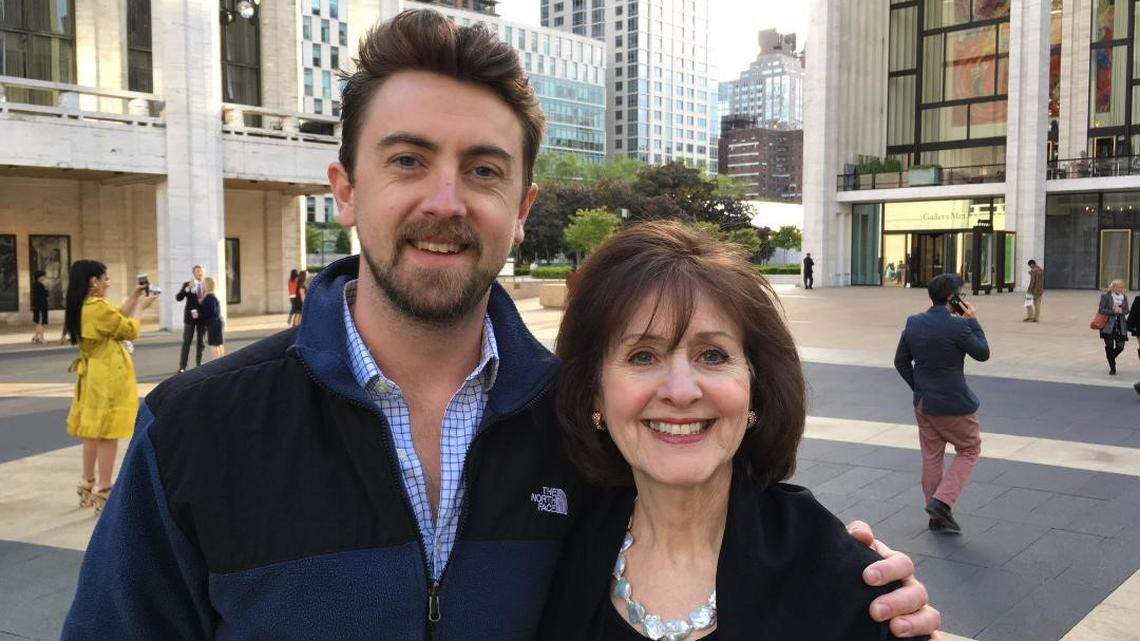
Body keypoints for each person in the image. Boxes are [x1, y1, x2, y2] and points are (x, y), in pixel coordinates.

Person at [61, 10, 938, 640]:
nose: (445, 201)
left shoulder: (586, 426)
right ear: (345, 188)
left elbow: (707, 521)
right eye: (408, 159)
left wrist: (850, 583)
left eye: (481, 170)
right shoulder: (197, 429)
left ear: (521, 208)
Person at [541, 222, 925, 641]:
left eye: (712, 355)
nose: (681, 391)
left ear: (755, 388)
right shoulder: (551, 548)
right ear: (594, 393)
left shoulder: (845, 584)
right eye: (643, 356)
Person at [894, 274, 989, 534]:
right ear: (952, 298)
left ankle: (935, 515)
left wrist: (919, 387)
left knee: (932, 455)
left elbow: (900, 361)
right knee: (970, 448)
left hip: (924, 403)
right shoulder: (958, 326)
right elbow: (983, 353)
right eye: (962, 294)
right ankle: (942, 503)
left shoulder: (914, 322)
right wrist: (973, 320)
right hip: (954, 403)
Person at [63, 259, 157, 513]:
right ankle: (104, 490)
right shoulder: (97, 308)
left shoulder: (86, 306)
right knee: (108, 433)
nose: (108, 283)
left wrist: (133, 297)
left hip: (93, 374)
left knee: (93, 431)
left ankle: (87, 484)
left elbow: (113, 316)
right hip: (108, 376)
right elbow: (129, 329)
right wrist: (140, 307)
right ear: (93, 281)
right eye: (105, 278)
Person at [175, 264, 207, 372]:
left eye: (201, 271)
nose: (200, 273)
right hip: (189, 318)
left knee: (201, 342)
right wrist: (187, 289)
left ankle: (199, 363)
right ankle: (182, 367)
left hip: (202, 318)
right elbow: (178, 298)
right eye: (197, 271)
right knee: (187, 342)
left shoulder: (207, 284)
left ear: (204, 272)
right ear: (194, 273)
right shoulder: (187, 284)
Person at [1098, 279, 1130, 376]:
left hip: (1120, 325)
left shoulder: (1124, 297)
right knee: (1109, 346)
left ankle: (1111, 357)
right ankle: (1113, 367)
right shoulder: (1106, 296)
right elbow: (1101, 310)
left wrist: (1121, 311)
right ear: (1113, 287)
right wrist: (1113, 311)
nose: (1120, 289)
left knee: (1120, 346)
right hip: (1108, 325)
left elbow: (1127, 310)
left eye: (1121, 287)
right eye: (1118, 287)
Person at [200, 277, 225, 359]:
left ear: (206, 286)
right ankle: (222, 360)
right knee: (219, 343)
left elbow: (210, 311)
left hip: (212, 323)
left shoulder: (208, 298)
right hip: (218, 322)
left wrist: (200, 317)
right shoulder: (213, 296)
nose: (202, 286)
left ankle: (216, 362)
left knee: (213, 344)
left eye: (203, 284)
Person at [31, 270, 49, 344]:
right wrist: (46, 290)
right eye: (43, 276)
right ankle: (41, 338)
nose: (44, 277)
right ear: (39, 277)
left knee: (38, 323)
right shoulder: (39, 285)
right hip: (41, 306)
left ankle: (35, 337)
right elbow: (45, 294)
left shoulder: (36, 285)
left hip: (38, 306)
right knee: (41, 323)